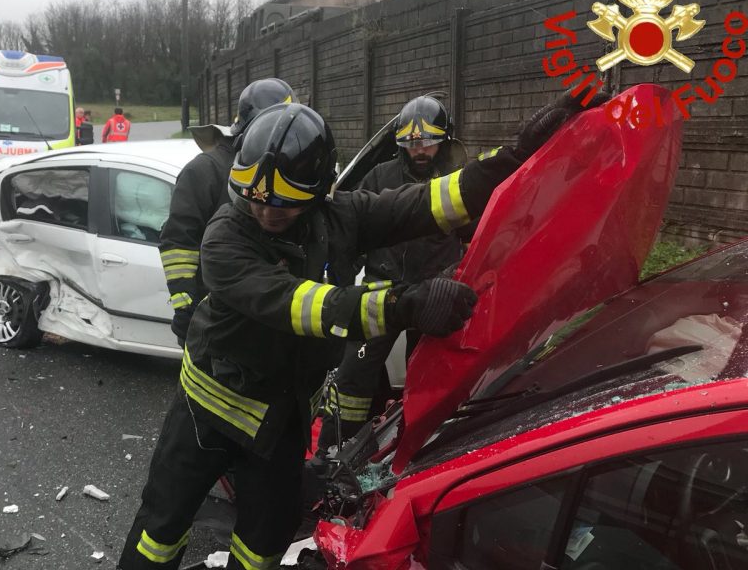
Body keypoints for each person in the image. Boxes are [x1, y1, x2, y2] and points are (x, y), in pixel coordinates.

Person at [119, 91, 604, 570]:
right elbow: (303, 305)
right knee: (161, 529)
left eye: (284, 207)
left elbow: (431, 202)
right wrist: (404, 305)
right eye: (255, 202)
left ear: (317, 195)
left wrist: (518, 155)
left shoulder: (338, 217)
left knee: (263, 544)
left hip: (282, 417)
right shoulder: (225, 238)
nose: (266, 213)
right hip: (209, 414)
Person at [316, 95, 468, 453]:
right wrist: (341, 269)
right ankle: (334, 449)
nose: (419, 150)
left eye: (427, 142)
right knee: (353, 377)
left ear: (443, 140)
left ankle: (419, 447)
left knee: (429, 376)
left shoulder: (456, 179)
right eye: (412, 143)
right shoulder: (379, 177)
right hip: (381, 293)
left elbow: (474, 231)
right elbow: (353, 229)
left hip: (434, 294)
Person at [158, 78, 297, 345]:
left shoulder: (275, 173)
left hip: (269, 311)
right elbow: (177, 244)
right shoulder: (203, 172)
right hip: (216, 315)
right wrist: (186, 306)